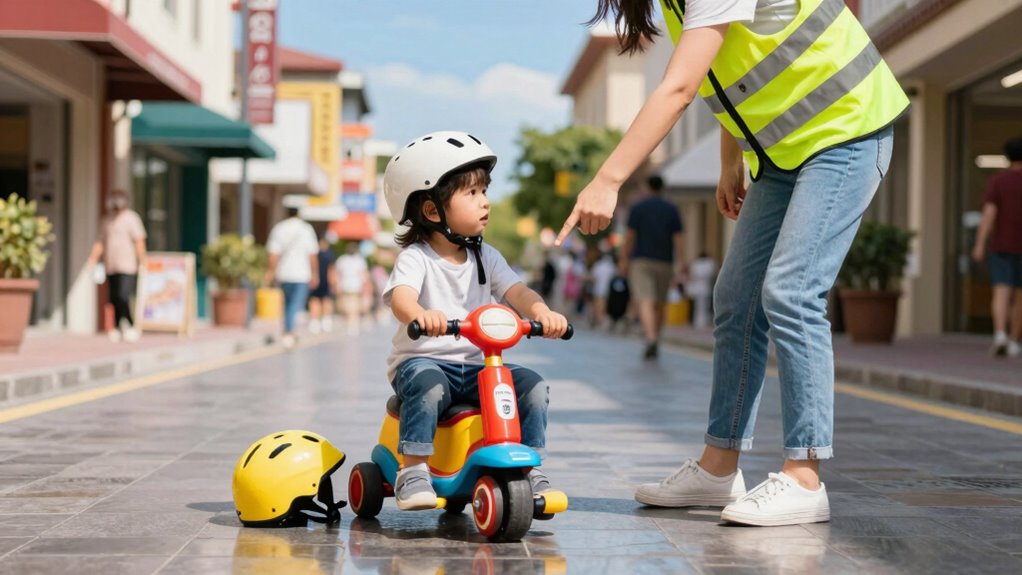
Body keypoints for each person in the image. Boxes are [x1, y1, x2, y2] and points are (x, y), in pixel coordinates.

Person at [556, 0, 909, 526]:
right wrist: (729, 162)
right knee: (736, 299)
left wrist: (608, 179)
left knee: (791, 292)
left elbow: (677, 90)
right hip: (783, 153)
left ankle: (805, 476)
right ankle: (718, 469)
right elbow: (728, 73)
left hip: (846, 129)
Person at [382, 130, 568, 510]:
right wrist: (420, 315)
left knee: (532, 386)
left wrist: (541, 313)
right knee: (430, 385)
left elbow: (517, 292)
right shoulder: (417, 258)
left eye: (485, 192)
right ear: (433, 210)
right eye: (472, 194)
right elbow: (401, 298)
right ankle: (413, 469)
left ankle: (530, 467)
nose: (485, 203)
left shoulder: (488, 256)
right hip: (426, 361)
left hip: (480, 364)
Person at [618, 175, 684, 359]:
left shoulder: (638, 208)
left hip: (640, 261)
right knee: (660, 303)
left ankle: (651, 338)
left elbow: (629, 236)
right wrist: (682, 261)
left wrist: (623, 259)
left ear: (647, 187)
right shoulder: (671, 209)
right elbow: (678, 238)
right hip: (665, 261)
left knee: (645, 300)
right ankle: (656, 337)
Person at [972, 137, 1022, 358]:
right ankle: (1014, 340)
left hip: (1002, 245)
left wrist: (979, 244)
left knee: (1001, 291)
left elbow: (989, 215)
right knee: (1020, 296)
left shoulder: (999, 181)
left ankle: (999, 334)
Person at [87, 189, 147, 343]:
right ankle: (118, 326)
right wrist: (92, 259)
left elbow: (139, 241)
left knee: (123, 295)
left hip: (128, 266)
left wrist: (142, 261)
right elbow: (100, 242)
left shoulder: (132, 218)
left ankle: (131, 324)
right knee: (112, 298)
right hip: (111, 265)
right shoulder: (107, 220)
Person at [265, 206, 319, 349]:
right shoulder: (306, 229)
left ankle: (288, 330)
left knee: (287, 304)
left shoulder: (279, 228)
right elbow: (312, 254)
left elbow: (273, 254)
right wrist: (315, 273)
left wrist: (271, 271)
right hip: (301, 274)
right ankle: (289, 333)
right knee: (295, 305)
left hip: (283, 274)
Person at [335, 242, 369, 335]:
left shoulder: (343, 260)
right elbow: (365, 275)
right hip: (352, 287)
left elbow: (338, 274)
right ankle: (352, 324)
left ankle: (352, 325)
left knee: (351, 307)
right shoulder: (359, 260)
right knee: (350, 307)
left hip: (351, 287)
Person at [308, 233, 339, 335]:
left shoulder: (314, 253)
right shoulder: (330, 254)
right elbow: (331, 269)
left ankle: (314, 322)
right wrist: (333, 282)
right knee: (325, 300)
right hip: (325, 280)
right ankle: (325, 321)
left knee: (315, 300)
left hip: (315, 279)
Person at [687, 251, 718, 330]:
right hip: (705, 286)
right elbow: (713, 273)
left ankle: (698, 322)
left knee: (698, 305)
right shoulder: (709, 263)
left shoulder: (696, 264)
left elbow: (692, 275)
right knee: (705, 305)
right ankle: (703, 322)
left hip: (697, 286)